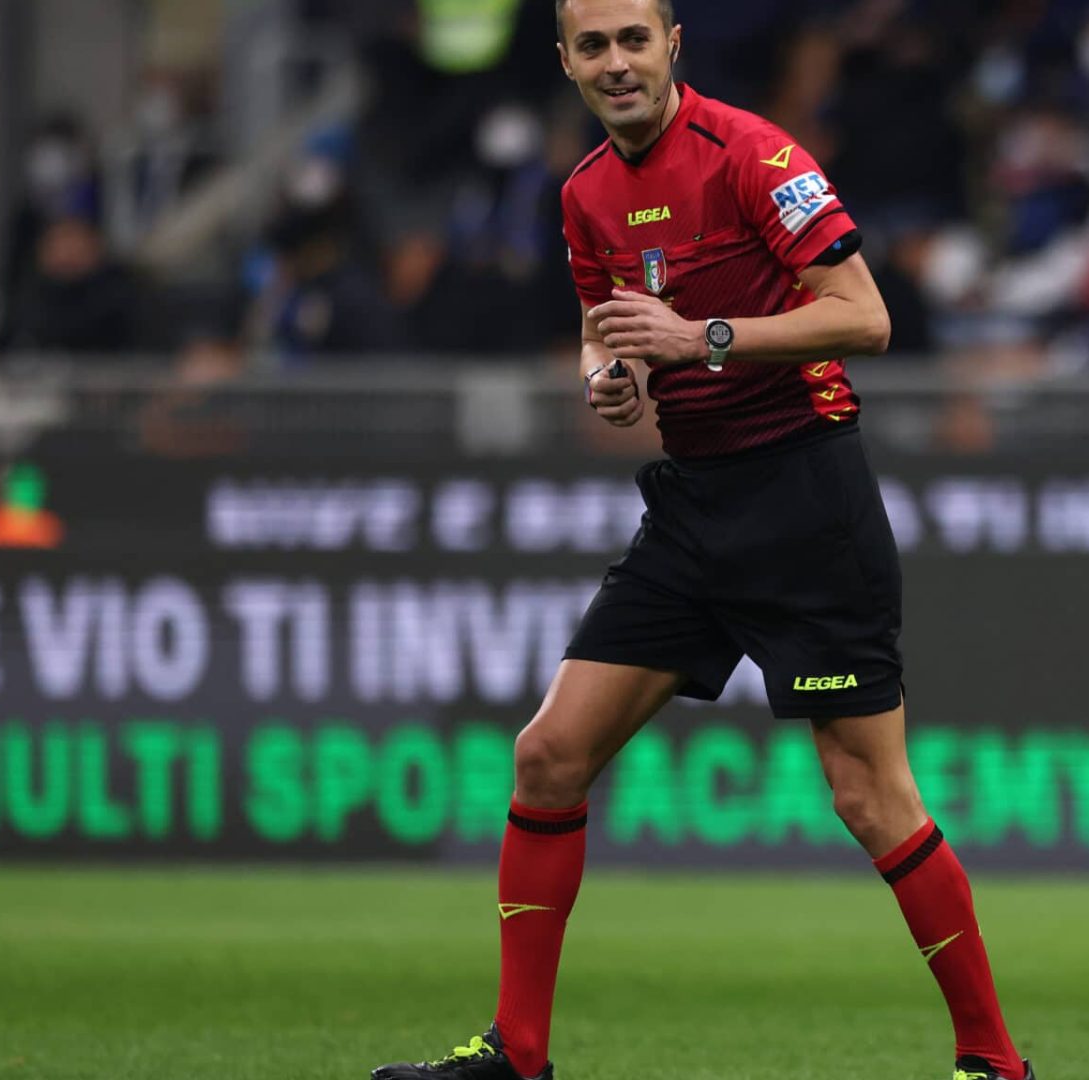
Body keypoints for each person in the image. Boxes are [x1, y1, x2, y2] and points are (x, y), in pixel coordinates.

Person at [369, 4, 1035, 1080]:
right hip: (693, 510)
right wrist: (615, 373)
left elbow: (864, 315)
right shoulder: (584, 192)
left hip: (807, 497)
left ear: (674, 42)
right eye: (594, 46)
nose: (617, 63)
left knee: (870, 797)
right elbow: (606, 326)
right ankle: (519, 1057)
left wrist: (704, 340)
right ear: (566, 63)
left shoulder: (755, 155)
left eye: (635, 38)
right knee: (548, 755)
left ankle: (994, 1063)